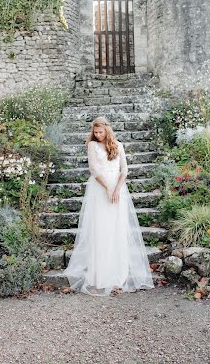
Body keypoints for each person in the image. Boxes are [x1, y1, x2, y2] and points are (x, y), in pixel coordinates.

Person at [64, 116, 154, 296]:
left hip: (117, 191)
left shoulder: (118, 146)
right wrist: (107, 188)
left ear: (107, 130)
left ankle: (117, 275)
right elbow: (94, 170)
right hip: (100, 189)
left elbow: (124, 170)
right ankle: (100, 275)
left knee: (116, 229)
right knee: (101, 230)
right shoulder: (92, 146)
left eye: (101, 132)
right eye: (95, 132)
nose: (98, 135)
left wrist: (117, 189)